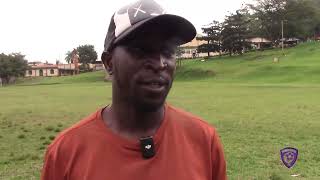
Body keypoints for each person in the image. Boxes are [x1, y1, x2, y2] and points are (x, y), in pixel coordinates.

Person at [41, 0, 226, 179]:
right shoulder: (65, 152)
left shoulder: (203, 139)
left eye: (168, 51)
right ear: (109, 62)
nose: (159, 63)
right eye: (142, 50)